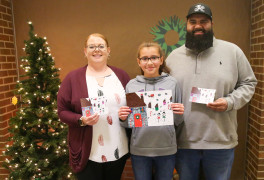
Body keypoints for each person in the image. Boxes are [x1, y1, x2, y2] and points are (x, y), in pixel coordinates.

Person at [166, 3, 257, 180]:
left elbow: (249, 83)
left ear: (212, 24)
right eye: (193, 21)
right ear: (187, 25)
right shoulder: (173, 57)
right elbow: (163, 90)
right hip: (183, 141)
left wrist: (230, 102)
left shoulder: (233, 51)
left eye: (203, 21)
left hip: (221, 141)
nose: (198, 26)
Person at [57, 33, 130, 180]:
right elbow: (62, 111)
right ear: (85, 51)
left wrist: (126, 115)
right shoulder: (73, 78)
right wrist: (81, 120)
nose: (97, 50)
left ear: (108, 50)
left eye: (101, 46)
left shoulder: (121, 76)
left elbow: (134, 108)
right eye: (92, 47)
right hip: (87, 151)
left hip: (117, 148)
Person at [118, 42, 184, 180]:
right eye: (145, 58)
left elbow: (178, 121)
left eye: (154, 57)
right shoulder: (132, 85)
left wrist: (179, 113)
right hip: (139, 149)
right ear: (139, 61)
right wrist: (123, 118)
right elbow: (130, 123)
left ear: (161, 60)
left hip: (166, 148)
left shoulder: (172, 83)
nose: (149, 62)